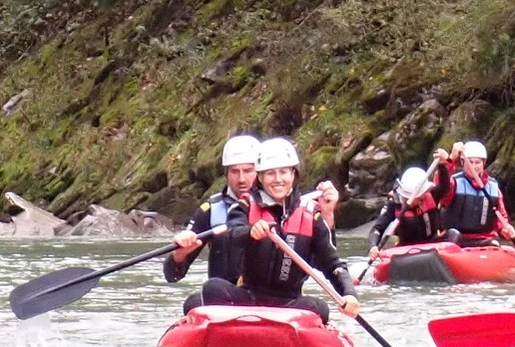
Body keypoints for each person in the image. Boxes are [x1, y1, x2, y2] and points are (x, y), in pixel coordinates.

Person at [197, 138, 360, 323]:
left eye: (283, 172)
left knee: (319, 308)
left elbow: (333, 264)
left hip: (290, 302)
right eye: (270, 174)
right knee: (213, 288)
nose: (278, 179)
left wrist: (349, 293)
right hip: (249, 296)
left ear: (293, 174)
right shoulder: (244, 206)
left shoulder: (311, 215)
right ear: (260, 177)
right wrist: (250, 232)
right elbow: (231, 234)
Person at [165, 135, 260, 311]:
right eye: (234, 171)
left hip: (270, 296)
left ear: (260, 171)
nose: (241, 179)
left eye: (248, 171)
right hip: (223, 296)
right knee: (193, 303)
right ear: (226, 173)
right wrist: (179, 255)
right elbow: (172, 275)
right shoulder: (210, 211)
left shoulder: (281, 207)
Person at [428, 140, 515, 246]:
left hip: (482, 239)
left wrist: (506, 229)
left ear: (484, 163)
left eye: (477, 162)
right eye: (470, 162)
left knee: (494, 243)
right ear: (463, 163)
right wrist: (450, 160)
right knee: (454, 235)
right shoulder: (454, 182)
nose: (473, 166)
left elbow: (501, 217)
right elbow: (441, 186)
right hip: (455, 239)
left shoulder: (493, 187)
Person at [367, 166, 443, 254]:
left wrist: (442, 166)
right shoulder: (394, 203)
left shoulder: (430, 195)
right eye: (405, 198)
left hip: (432, 244)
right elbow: (377, 229)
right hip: (405, 249)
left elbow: (445, 187)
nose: (408, 201)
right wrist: (373, 246)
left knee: (453, 234)